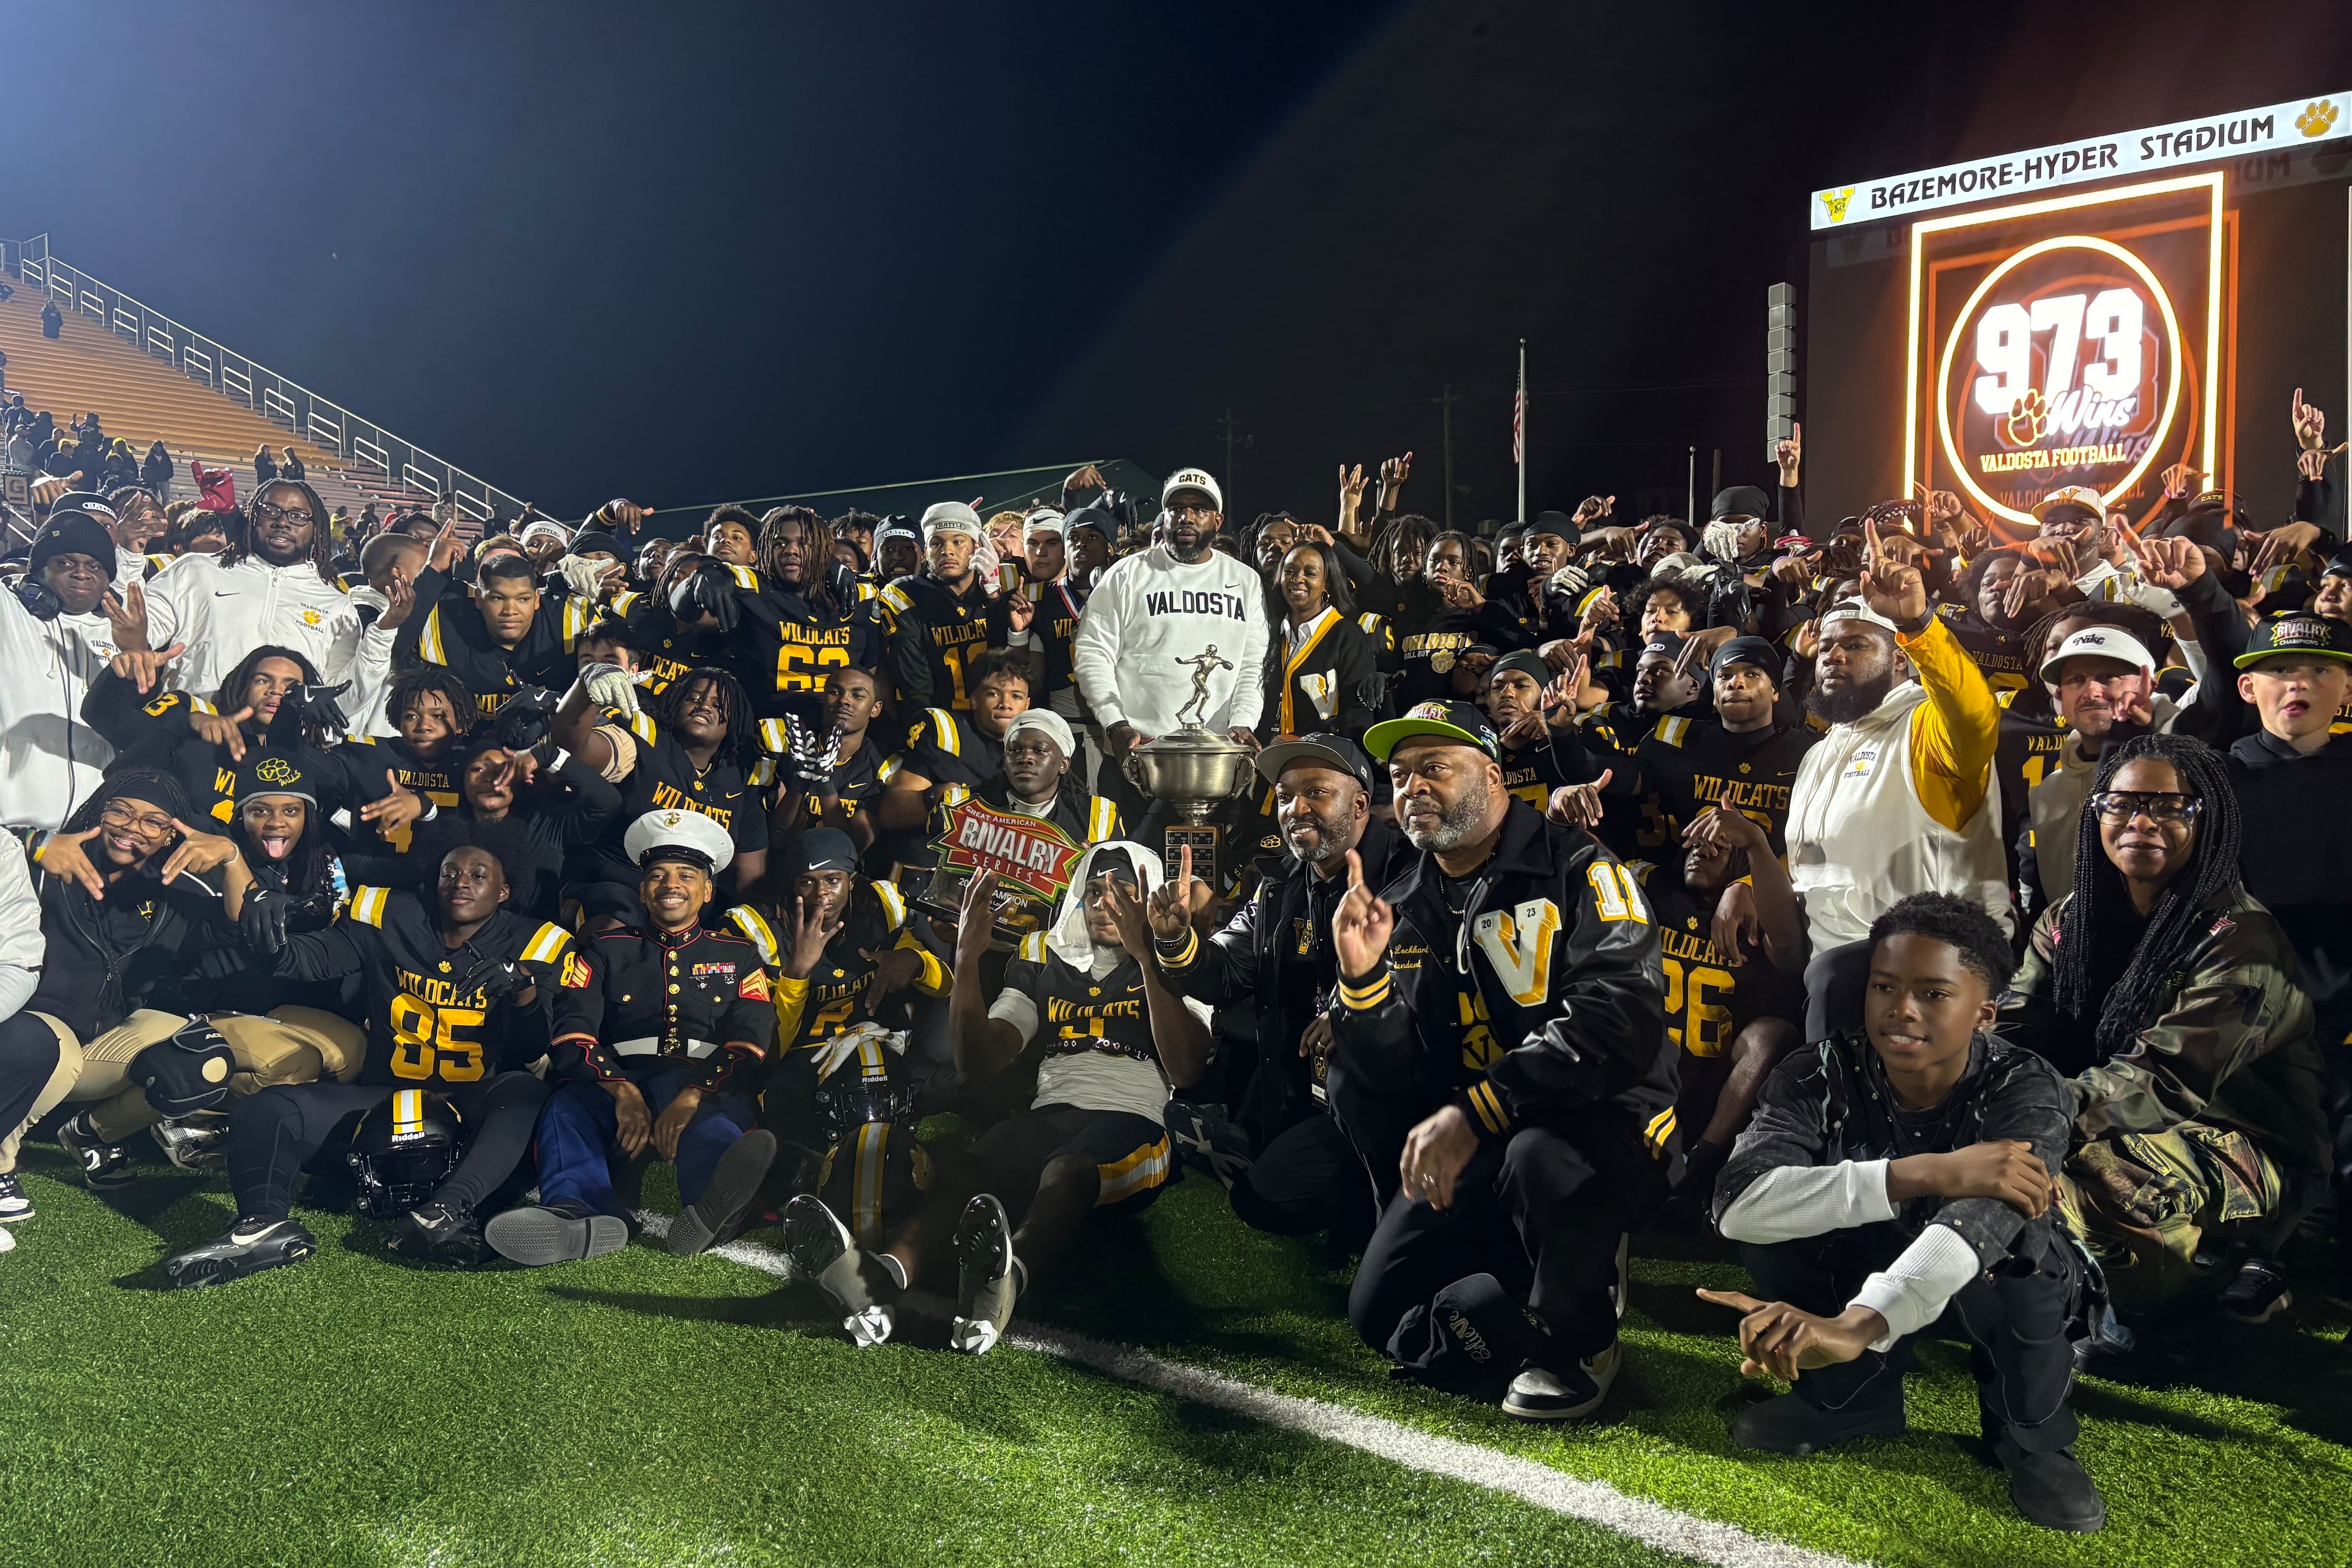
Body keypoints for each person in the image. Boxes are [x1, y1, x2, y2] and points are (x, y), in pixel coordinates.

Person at [1700, 893, 2098, 1533]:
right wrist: (1929, 1171)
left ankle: (2029, 1433)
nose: (1901, 1008)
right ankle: (1852, 1397)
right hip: (1871, 1258)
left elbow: (1983, 1222)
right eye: (1884, 986)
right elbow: (1739, 1205)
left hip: (1982, 1275)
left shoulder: (2027, 1086)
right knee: (1780, 1225)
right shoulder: (1817, 1072)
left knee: (2024, 1241)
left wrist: (1859, 1324)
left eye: (1933, 993)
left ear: (1984, 1013)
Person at [1325, 699, 1676, 1421]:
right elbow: (1393, 1073)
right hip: (1482, 1128)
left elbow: (1619, 1019)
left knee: (1537, 1156)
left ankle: (1581, 1338)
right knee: (1378, 1311)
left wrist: (1479, 1109)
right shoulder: (1403, 901)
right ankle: (1519, 1295)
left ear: (1493, 775)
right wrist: (1361, 985)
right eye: (1401, 774)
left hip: (1606, 1117)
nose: (1413, 786)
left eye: (1435, 767)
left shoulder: (1580, 866)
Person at [785, 843, 1211, 1354]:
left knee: (1069, 1171)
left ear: (1148, 898)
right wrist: (967, 958)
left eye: (1123, 894)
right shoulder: (1045, 953)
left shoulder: (1179, 953)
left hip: (1136, 1116)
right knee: (976, 1165)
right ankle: (879, 1278)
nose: (1104, 905)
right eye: (1095, 891)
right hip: (1053, 1108)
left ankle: (1005, 1286)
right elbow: (980, 1060)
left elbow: (1186, 1070)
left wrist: (1146, 957)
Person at [2001, 733, 2328, 1321]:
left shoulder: (2241, 939)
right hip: (2098, 1117)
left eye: (2170, 806)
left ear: (2208, 819)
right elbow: (2015, 1032)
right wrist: (1987, 1102)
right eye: (2122, 804)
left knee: (2097, 1174)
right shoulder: (2065, 920)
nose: (2142, 821)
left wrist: (2037, 1122)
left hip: (2247, 1142)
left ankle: (2209, 1267)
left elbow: (2166, 1078)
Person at [160, 835, 574, 1285]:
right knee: (270, 1106)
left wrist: (523, 991)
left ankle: (445, 1211)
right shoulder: (392, 915)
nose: (461, 883)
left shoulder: (536, 943)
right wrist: (270, 937)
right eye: (449, 873)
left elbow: (529, 1051)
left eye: (478, 875)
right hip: (386, 1098)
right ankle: (261, 1223)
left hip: (470, 1106)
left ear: (504, 890)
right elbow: (313, 961)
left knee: (526, 1092)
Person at [38, 771, 357, 1188]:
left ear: (170, 835)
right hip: (34, 1035)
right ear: (99, 812)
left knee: (201, 1057)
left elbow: (243, 925)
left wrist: (232, 859)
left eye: (153, 821)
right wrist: (32, 843)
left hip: (105, 1038)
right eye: (121, 812)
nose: (134, 827)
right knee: (41, 1046)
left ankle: (93, 1132)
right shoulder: (46, 866)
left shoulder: (177, 890)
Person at [489, 811, 779, 1264]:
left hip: (703, 1082)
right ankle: (577, 1211)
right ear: (643, 890)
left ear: (707, 891)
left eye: (686, 875)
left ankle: (712, 1210)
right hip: (621, 1077)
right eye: (658, 875)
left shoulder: (740, 955)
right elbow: (572, 1031)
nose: (671, 884)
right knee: (566, 1107)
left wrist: (693, 1094)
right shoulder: (605, 949)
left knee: (716, 1126)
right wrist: (619, 1088)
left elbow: (751, 1040)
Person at [1155, 735, 1408, 1239]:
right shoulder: (1279, 881)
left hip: (1396, 1095)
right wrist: (1177, 939)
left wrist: (1355, 1008)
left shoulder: (1412, 871)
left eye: (1316, 792)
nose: (1296, 809)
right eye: (1286, 796)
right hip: (1305, 1087)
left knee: (1295, 1201)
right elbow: (1226, 975)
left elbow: (1437, 979)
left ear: (1361, 804)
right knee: (1263, 1195)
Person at [1771, 525, 2007, 1038]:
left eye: (1855, 645)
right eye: (1826, 647)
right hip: (1829, 982)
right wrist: (1746, 887)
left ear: (1900, 659)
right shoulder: (1818, 752)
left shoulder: (1927, 726)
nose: (1833, 656)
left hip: (1927, 979)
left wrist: (1918, 625)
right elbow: (1811, 863)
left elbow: (1975, 715)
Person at [731, 827, 948, 1240]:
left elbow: (946, 984)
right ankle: (798, 1179)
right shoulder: (759, 928)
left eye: (833, 880)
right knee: (790, 1115)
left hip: (873, 1046)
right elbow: (771, 1047)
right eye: (807, 881)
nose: (821, 894)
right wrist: (797, 972)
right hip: (800, 1061)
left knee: (918, 1084)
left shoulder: (881, 906)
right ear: (791, 883)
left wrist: (915, 961)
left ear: (852, 880)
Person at [1072, 467, 1268, 785]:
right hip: (1138, 752)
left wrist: (1244, 720)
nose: (1186, 517)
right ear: (1165, 516)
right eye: (1176, 509)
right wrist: (1115, 724)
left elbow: (1252, 665)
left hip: (1218, 757)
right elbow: (1093, 654)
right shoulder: (1126, 574)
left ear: (1217, 521)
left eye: (1199, 510)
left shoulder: (1245, 580)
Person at [552, 662, 770, 917]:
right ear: (676, 703)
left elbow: (750, 876)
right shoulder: (645, 738)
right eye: (693, 698)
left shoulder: (742, 778)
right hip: (614, 890)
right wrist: (584, 689)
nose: (704, 707)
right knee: (615, 926)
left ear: (734, 721)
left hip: (690, 913)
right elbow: (574, 748)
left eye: (719, 705)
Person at [142, 477, 362, 699]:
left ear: (316, 529)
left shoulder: (336, 605)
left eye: (298, 516)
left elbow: (341, 694)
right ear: (252, 516)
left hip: (282, 723)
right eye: (270, 511)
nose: (282, 523)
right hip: (191, 718)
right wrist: (129, 555)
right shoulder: (194, 571)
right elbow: (139, 632)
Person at [0, 502, 130, 831]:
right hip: (11, 830)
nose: (82, 573)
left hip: (91, 833)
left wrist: (136, 648)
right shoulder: (9, 611)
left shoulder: (123, 632)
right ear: (38, 572)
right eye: (66, 563)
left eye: (94, 565)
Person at [878, 502, 1025, 712]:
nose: (947, 551)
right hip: (940, 719)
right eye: (936, 544)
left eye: (958, 542)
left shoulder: (1007, 579)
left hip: (999, 714)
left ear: (977, 547)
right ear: (926, 552)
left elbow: (1014, 665)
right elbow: (916, 687)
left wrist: (994, 597)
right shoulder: (904, 595)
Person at [1264, 538, 1378, 741]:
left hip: (1324, 756)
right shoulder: (1270, 634)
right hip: (1266, 754)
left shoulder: (1348, 636)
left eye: (1310, 573)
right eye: (1290, 571)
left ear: (1327, 583)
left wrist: (1302, 741)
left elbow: (1357, 716)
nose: (1298, 579)